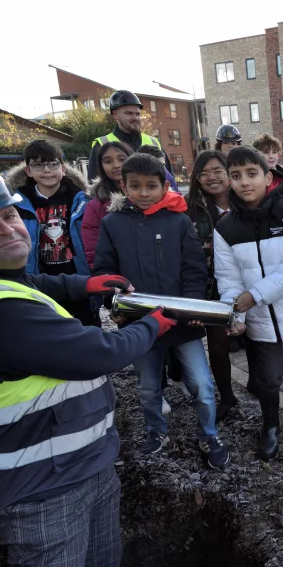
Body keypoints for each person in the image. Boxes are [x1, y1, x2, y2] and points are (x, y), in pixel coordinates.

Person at [0, 160, 175, 567]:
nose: (6, 229)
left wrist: (84, 283)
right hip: (40, 493)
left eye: (9, 215)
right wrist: (151, 326)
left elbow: (30, 282)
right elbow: (98, 352)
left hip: (84, 465)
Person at [93, 153, 230, 468]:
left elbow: (195, 269)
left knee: (201, 383)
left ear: (163, 185)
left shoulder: (178, 221)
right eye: (135, 186)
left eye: (151, 186)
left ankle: (208, 434)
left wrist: (193, 305)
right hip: (140, 323)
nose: (143, 192)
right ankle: (157, 431)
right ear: (124, 186)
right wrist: (113, 303)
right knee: (147, 385)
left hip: (182, 321)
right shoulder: (113, 224)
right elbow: (104, 270)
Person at [214, 146, 283, 461]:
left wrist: (252, 296)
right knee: (269, 377)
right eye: (236, 176)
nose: (244, 182)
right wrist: (234, 313)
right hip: (259, 317)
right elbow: (228, 278)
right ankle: (271, 425)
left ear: (267, 175)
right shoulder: (226, 228)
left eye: (252, 173)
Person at [5, 139, 97, 326]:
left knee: (87, 330)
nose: (47, 170)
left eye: (53, 164)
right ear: (28, 171)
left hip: (78, 280)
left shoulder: (83, 202)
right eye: (38, 165)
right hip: (39, 282)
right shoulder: (17, 206)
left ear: (63, 169)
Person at [185, 150, 240, 422]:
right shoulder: (189, 208)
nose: (212, 177)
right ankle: (227, 395)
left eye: (217, 170)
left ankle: (261, 384)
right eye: (204, 173)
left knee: (254, 340)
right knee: (218, 345)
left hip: (248, 284)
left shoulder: (246, 200)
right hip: (210, 288)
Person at [87, 90, 170, 182]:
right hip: (113, 196)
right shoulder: (101, 144)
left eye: (137, 114)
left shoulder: (154, 142)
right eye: (129, 113)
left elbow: (169, 180)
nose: (135, 118)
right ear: (116, 115)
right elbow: (93, 184)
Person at [82, 141, 132, 269]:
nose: (116, 165)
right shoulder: (95, 206)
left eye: (121, 159)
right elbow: (94, 252)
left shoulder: (150, 198)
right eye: (108, 161)